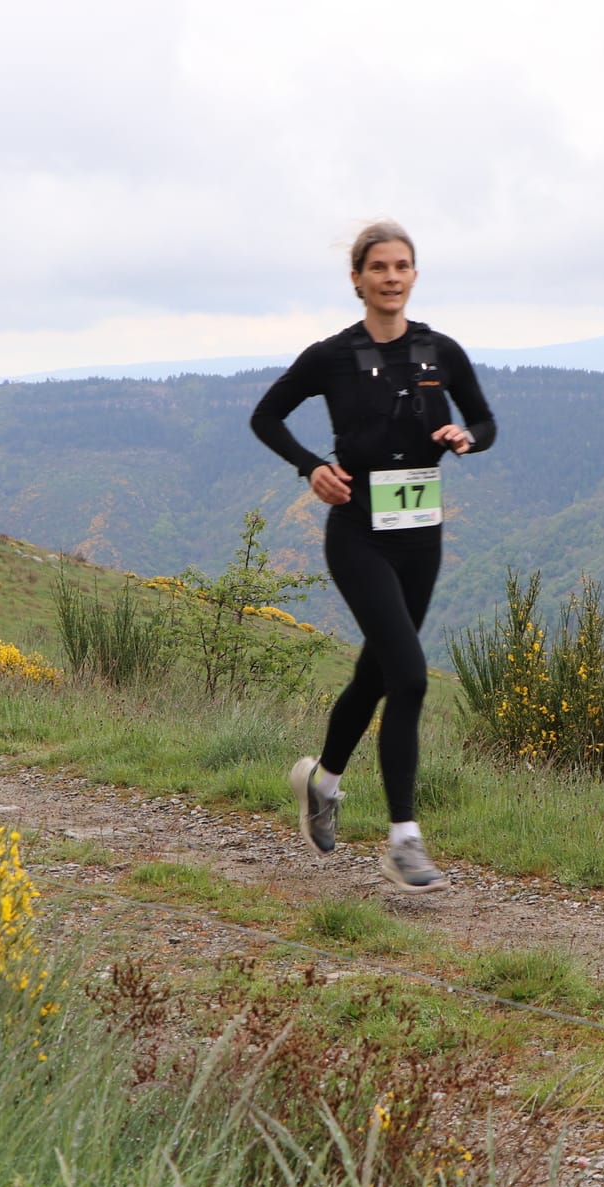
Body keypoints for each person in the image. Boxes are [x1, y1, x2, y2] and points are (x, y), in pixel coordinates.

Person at [250, 220, 496, 891]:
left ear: (415, 276)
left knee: (378, 673)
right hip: (356, 530)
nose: (392, 277)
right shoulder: (330, 355)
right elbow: (266, 416)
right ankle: (404, 841)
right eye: (379, 267)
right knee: (410, 675)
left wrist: (462, 437)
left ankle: (323, 782)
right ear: (356, 278)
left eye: (403, 266)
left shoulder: (440, 350)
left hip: (421, 535)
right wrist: (310, 468)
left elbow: (486, 422)